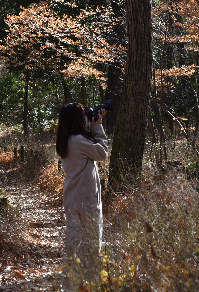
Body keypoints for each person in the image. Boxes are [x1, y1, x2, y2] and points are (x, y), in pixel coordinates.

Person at [56, 102, 108, 287]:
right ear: (76, 120)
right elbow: (102, 153)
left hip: (73, 196)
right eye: (83, 116)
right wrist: (97, 126)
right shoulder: (78, 141)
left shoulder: (66, 140)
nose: (85, 118)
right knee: (91, 244)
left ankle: (70, 285)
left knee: (74, 243)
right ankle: (86, 284)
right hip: (84, 200)